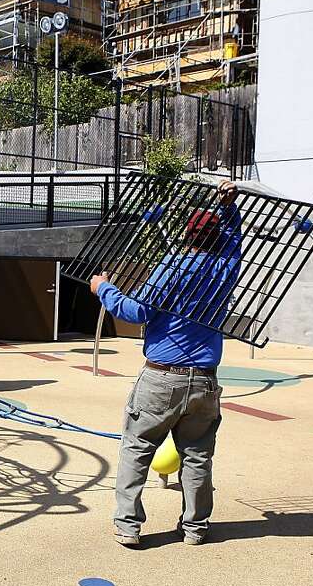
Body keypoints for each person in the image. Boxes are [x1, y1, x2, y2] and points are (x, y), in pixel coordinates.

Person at [88, 179, 242, 547]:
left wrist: (103, 289)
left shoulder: (173, 266)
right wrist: (229, 209)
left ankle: (128, 525)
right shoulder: (224, 270)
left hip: (161, 377)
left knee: (137, 448)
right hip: (205, 381)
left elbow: (136, 310)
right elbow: (235, 245)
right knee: (198, 457)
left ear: (186, 234)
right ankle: (195, 527)